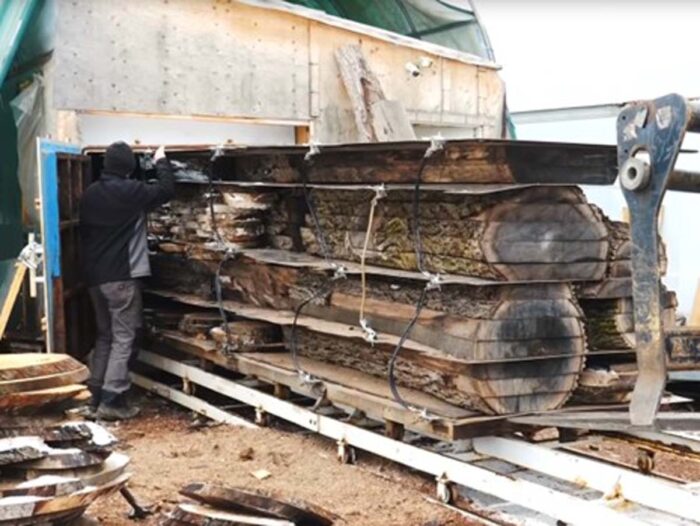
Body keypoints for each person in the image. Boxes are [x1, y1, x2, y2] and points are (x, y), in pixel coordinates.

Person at [80, 141, 174, 420]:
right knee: (124, 335)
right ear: (128, 167)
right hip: (121, 277)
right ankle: (113, 399)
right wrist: (161, 161)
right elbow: (166, 191)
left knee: (105, 335)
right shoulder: (129, 192)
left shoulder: (90, 194)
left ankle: (94, 396)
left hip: (95, 277)